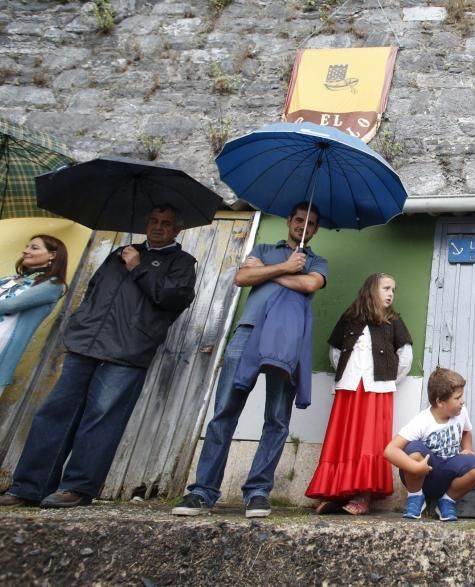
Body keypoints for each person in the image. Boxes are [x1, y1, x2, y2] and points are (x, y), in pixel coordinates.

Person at [0, 207, 196, 509]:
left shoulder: (182, 263)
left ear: (177, 230)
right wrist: (82, 323)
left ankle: (77, 487)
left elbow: (174, 299)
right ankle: (29, 486)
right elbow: (94, 290)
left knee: (102, 419)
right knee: (54, 414)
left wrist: (140, 267)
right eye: (153, 221)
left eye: (166, 224)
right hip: (86, 343)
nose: (158, 228)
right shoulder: (121, 252)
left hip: (128, 350)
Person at [173, 202, 327, 519]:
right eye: (300, 220)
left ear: (315, 230)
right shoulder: (264, 248)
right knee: (225, 411)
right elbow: (242, 278)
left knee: (277, 419)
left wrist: (265, 274)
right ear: (289, 221)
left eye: (311, 224)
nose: (304, 226)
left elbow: (310, 284)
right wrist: (285, 268)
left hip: (288, 340)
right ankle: (203, 492)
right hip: (247, 332)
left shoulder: (317, 262)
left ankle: (257, 491)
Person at [306, 272, 413, 516]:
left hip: (378, 391)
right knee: (343, 439)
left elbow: (405, 355)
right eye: (386, 288)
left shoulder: (393, 320)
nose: (391, 294)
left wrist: (387, 378)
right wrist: (349, 373)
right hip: (349, 387)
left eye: (393, 290)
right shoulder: (350, 318)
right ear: (371, 289)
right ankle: (334, 492)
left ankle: (362, 494)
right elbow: (335, 351)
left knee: (369, 440)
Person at [384, 367, 475, 521]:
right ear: (440, 402)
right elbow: (390, 450)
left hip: (449, 473)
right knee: (413, 449)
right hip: (424, 475)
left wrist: (468, 448)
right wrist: (416, 467)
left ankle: (447, 501)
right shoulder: (422, 421)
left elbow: (466, 431)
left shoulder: (461, 412)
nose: (462, 401)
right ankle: (415, 498)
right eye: (457, 398)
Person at [0, 234, 69, 397]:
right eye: (26, 246)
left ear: (52, 255)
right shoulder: (9, 279)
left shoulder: (52, 285)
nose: (25, 251)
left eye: (34, 248)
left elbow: (11, 305)